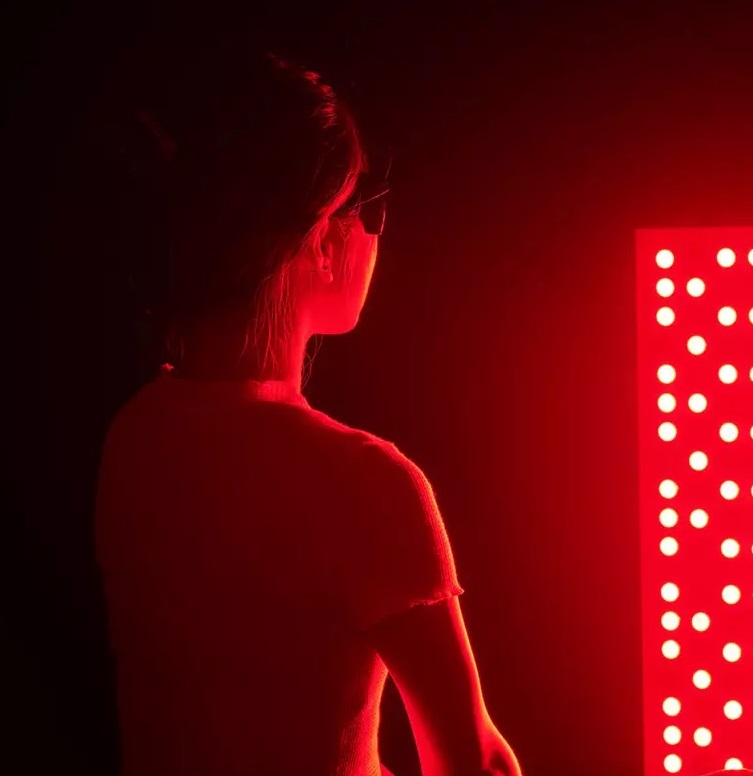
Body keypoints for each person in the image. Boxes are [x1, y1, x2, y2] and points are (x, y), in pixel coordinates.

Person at [94, 40, 521, 776]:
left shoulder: (134, 436)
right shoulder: (364, 483)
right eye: (370, 207)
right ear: (322, 239)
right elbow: (474, 761)